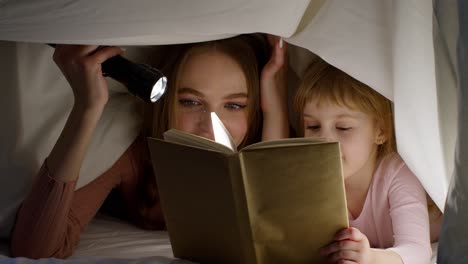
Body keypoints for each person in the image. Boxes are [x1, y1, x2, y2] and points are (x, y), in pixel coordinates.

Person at [11, 34, 289, 259]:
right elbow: (35, 249)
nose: (208, 126)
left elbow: (281, 228)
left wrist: (275, 111)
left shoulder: (255, 147)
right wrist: (87, 105)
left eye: (234, 105)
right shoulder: (138, 150)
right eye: (191, 102)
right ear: (168, 103)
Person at [293, 58, 432, 264]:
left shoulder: (397, 172)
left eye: (343, 128)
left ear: (381, 130)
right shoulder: (312, 178)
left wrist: (370, 257)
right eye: (313, 126)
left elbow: (418, 252)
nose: (325, 140)